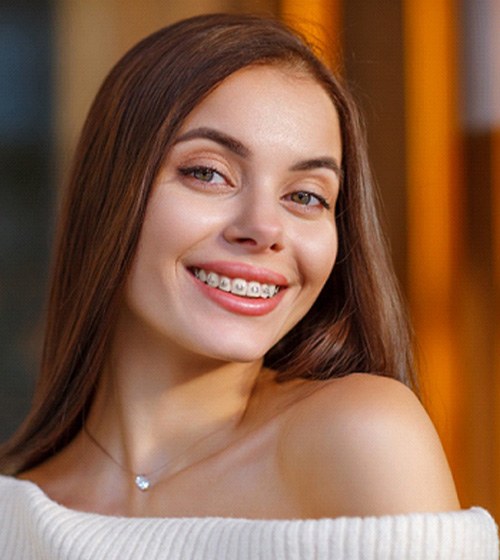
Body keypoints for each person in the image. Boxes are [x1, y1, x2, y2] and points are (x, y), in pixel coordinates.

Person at [0, 12, 497, 560]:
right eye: (209, 172)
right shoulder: (13, 511)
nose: (263, 229)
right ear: (109, 194)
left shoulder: (361, 435)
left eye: (306, 195)